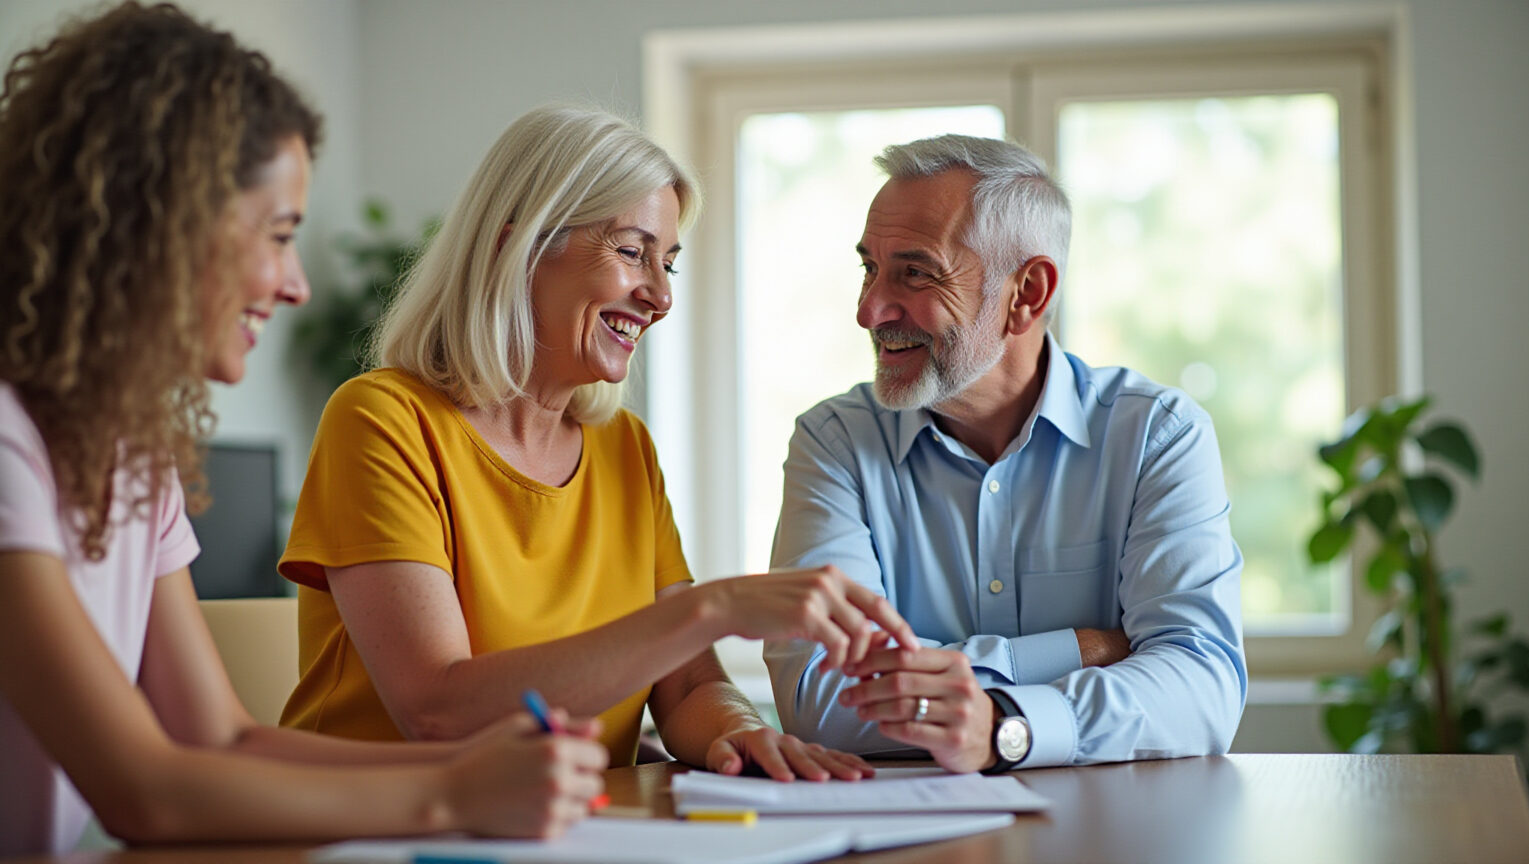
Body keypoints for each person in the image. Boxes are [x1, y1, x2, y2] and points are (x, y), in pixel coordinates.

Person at [0, 5, 607, 856]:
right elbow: (142, 791)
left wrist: (481, 762)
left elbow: (219, 740)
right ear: (164, 225)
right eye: (279, 236)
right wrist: (450, 793)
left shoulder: (132, 455)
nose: (296, 286)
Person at [278, 104, 917, 781]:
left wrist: (744, 732)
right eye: (632, 251)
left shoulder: (625, 449)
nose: (660, 296)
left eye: (667, 262)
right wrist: (715, 608)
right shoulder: (382, 420)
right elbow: (439, 709)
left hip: (566, 830)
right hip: (376, 833)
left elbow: (690, 688)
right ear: (513, 247)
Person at [764, 134, 1247, 773]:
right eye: (869, 269)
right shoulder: (835, 444)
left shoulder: (1156, 437)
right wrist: (1077, 650)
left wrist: (1005, 726)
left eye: (914, 272)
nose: (869, 310)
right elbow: (820, 699)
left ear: (1027, 293)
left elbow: (1201, 686)